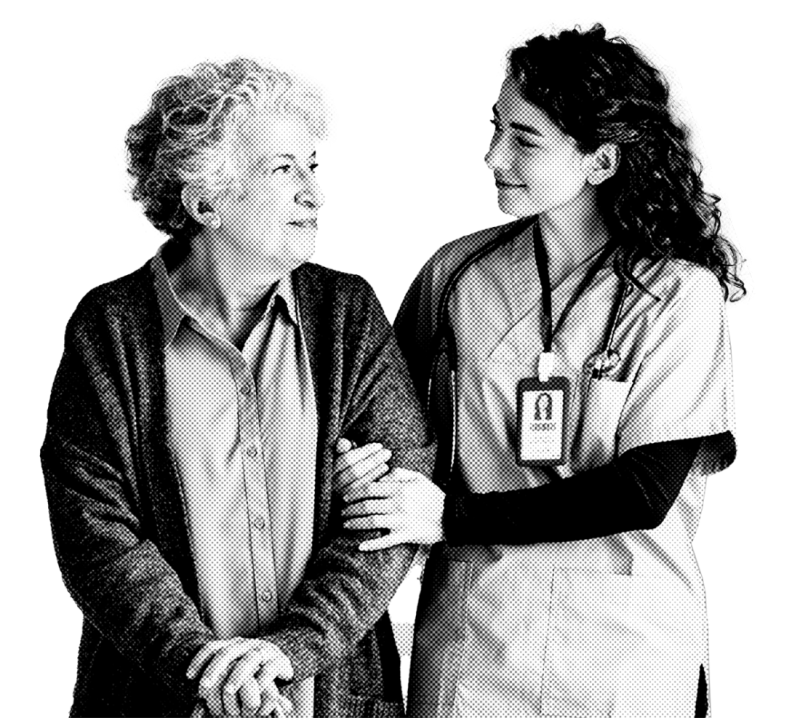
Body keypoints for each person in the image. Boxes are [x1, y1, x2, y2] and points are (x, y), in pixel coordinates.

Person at [334, 23, 743, 718]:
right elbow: (386, 428)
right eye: (497, 128)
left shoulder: (677, 293)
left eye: (525, 140)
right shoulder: (457, 274)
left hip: (627, 652)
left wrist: (448, 515)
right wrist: (361, 471)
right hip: (477, 637)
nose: (493, 155)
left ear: (601, 161)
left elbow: (643, 491)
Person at [41, 56, 433, 718]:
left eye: (315, 165)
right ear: (205, 200)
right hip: (158, 698)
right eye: (284, 169)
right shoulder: (109, 331)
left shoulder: (347, 314)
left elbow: (392, 511)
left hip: (329, 699)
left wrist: (288, 652)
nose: (315, 192)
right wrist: (206, 669)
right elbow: (96, 534)